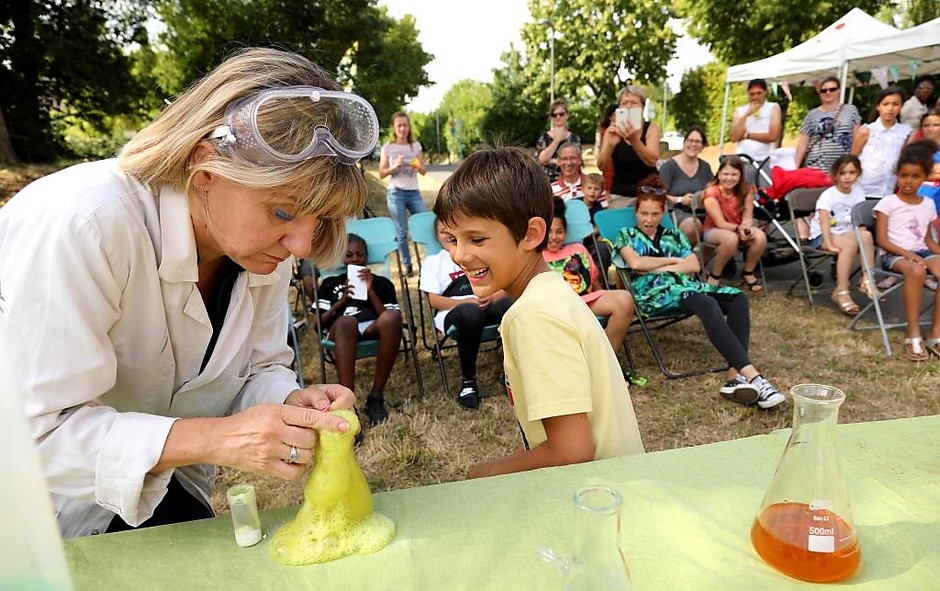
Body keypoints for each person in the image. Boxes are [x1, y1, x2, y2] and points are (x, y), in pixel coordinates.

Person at [0, 48, 370, 538]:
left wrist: (291, 398)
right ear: (206, 165)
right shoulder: (83, 224)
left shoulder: (260, 248)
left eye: (318, 218)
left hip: (161, 486)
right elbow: (36, 437)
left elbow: (254, 370)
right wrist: (215, 438)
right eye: (283, 212)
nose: (301, 244)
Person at [433, 146, 644, 479]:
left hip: (598, 498)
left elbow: (571, 452)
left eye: (476, 238)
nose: (460, 254)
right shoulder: (552, 293)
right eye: (453, 239)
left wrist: (484, 472)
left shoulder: (533, 317)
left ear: (531, 234)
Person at [614, 175, 786, 409]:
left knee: (738, 298)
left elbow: (693, 265)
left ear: (663, 211)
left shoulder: (673, 235)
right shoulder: (626, 235)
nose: (649, 219)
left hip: (685, 287)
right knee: (705, 302)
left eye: (655, 214)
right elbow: (634, 264)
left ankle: (734, 376)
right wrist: (673, 261)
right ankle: (755, 377)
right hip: (653, 294)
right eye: (644, 213)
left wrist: (658, 265)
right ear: (636, 212)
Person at [420, 217, 512, 409]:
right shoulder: (434, 261)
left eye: (452, 230)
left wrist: (493, 298)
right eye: (443, 231)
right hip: (453, 311)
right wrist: (467, 301)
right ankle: (468, 381)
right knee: (471, 312)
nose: (447, 234)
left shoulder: (479, 254)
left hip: (487, 302)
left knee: (510, 304)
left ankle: (512, 372)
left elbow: (505, 284)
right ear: (437, 236)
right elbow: (433, 301)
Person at [315, 234, 403, 425]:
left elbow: (392, 320)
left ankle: (376, 397)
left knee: (392, 317)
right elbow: (318, 324)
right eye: (349, 255)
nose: (355, 259)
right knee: (348, 322)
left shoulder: (381, 283)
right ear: (341, 257)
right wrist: (341, 301)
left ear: (367, 256)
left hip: (373, 327)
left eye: (360, 254)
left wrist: (371, 291)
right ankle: (347, 405)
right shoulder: (330, 284)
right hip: (342, 329)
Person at [873, 140, 940, 362]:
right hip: (894, 254)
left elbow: (928, 240)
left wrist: (935, 251)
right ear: (897, 176)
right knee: (916, 272)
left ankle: (935, 333)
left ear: (924, 178)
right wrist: (908, 254)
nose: (908, 181)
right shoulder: (888, 203)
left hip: (921, 251)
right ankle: (913, 333)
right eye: (904, 175)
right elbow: (882, 240)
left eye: (915, 176)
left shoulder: (928, 204)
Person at [544, 197, 634, 354]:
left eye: (559, 231)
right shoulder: (537, 258)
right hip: (558, 309)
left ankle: (607, 359)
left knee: (624, 299)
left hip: (586, 303)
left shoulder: (578, 250)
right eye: (549, 232)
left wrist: (603, 294)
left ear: (566, 233)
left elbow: (594, 283)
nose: (554, 237)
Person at [806, 155, 877, 316]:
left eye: (852, 172)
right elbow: (824, 222)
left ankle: (867, 278)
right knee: (850, 245)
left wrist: (861, 232)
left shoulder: (858, 191)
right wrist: (829, 244)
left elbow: (859, 220)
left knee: (866, 236)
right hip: (823, 235)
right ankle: (842, 291)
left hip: (845, 232)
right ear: (836, 175)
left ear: (858, 174)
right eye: (842, 173)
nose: (847, 177)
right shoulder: (828, 195)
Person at [701, 156, 768, 293]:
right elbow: (720, 223)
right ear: (719, 174)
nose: (729, 178)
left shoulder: (746, 190)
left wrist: (746, 227)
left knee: (760, 236)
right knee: (731, 239)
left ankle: (748, 272)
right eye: (725, 174)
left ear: (740, 176)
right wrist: (739, 229)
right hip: (714, 230)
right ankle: (715, 275)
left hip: (738, 228)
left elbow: (748, 216)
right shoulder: (711, 193)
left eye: (734, 174)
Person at [379, 111, 427, 276]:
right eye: (399, 125)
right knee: (402, 231)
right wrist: (395, 166)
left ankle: (430, 261)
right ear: (394, 127)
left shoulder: (416, 146)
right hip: (396, 192)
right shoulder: (388, 147)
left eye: (405, 125)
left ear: (409, 127)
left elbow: (423, 170)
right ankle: (408, 267)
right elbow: (382, 173)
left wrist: (416, 164)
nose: (402, 128)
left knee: (425, 224)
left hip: (413, 192)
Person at [597, 86, 660, 208]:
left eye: (634, 102)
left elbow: (652, 161)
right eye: (625, 103)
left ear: (642, 107)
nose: (629, 106)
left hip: (649, 192)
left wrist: (634, 140)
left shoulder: (651, 129)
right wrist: (610, 146)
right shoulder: (612, 131)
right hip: (621, 193)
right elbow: (601, 166)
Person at [851, 86, 911, 199]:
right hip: (864, 189)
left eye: (895, 104)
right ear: (878, 106)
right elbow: (853, 158)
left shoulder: (904, 133)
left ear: (901, 106)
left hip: (889, 190)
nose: (890, 108)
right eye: (886, 104)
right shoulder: (867, 131)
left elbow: (902, 160)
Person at [658, 125, 713, 246]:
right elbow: (659, 194)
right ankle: (685, 257)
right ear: (684, 142)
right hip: (678, 211)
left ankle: (703, 261)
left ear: (703, 146)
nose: (693, 144)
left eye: (698, 142)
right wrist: (680, 200)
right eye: (690, 140)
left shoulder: (705, 167)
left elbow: (713, 190)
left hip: (703, 211)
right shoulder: (670, 166)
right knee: (692, 226)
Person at [795, 76, 860, 172]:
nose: (828, 92)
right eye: (824, 90)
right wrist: (795, 168)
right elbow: (802, 143)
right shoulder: (812, 114)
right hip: (816, 167)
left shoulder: (850, 110)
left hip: (842, 167)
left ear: (839, 91)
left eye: (832, 89)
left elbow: (857, 138)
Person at [730, 78, 782, 183]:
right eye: (752, 94)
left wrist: (748, 135)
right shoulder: (740, 111)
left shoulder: (773, 107)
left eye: (759, 93)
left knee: (764, 193)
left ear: (765, 92)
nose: (755, 97)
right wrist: (745, 115)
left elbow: (773, 136)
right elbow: (734, 137)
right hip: (743, 160)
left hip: (764, 159)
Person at [536, 98, 581, 183]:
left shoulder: (575, 138)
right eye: (554, 115)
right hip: (547, 182)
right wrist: (557, 140)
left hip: (570, 183)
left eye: (561, 114)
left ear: (567, 115)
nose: (558, 117)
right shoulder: (544, 137)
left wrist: (551, 161)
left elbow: (578, 161)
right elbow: (541, 160)